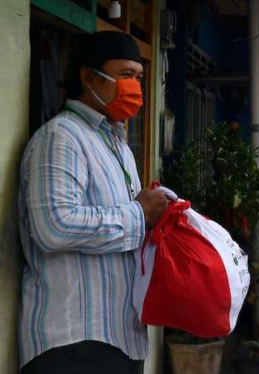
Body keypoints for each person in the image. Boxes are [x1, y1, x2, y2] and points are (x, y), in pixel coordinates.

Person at [18, 31, 168, 374]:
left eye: (139, 77)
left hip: (119, 335)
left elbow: (123, 226)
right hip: (74, 340)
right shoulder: (61, 137)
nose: (135, 87)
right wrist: (139, 214)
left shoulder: (118, 145)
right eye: (125, 75)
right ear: (88, 76)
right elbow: (55, 226)